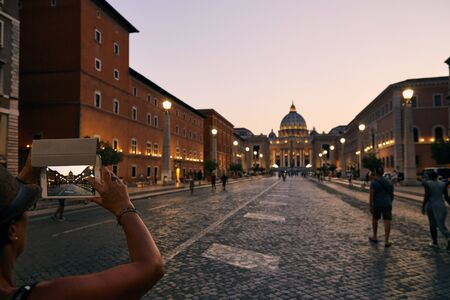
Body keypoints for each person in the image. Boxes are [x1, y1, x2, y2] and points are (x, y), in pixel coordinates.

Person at [0, 159, 164, 299]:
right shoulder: (48, 295)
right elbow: (151, 266)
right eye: (24, 209)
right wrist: (124, 206)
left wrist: (13, 186)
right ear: (12, 230)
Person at [422, 171, 450, 250]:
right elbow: (446, 197)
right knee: (441, 224)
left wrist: (423, 206)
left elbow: (426, 196)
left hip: (431, 205)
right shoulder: (443, 184)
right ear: (437, 176)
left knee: (432, 224)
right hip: (441, 205)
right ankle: (448, 238)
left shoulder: (427, 184)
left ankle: (435, 242)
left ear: (430, 177)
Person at [368, 166, 394, 247]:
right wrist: (389, 201)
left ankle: (375, 236)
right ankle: (386, 241)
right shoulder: (389, 182)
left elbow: (372, 195)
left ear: (376, 173)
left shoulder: (374, 182)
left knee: (375, 219)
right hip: (387, 203)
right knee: (387, 221)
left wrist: (370, 205)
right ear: (383, 172)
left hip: (377, 204)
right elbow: (392, 195)